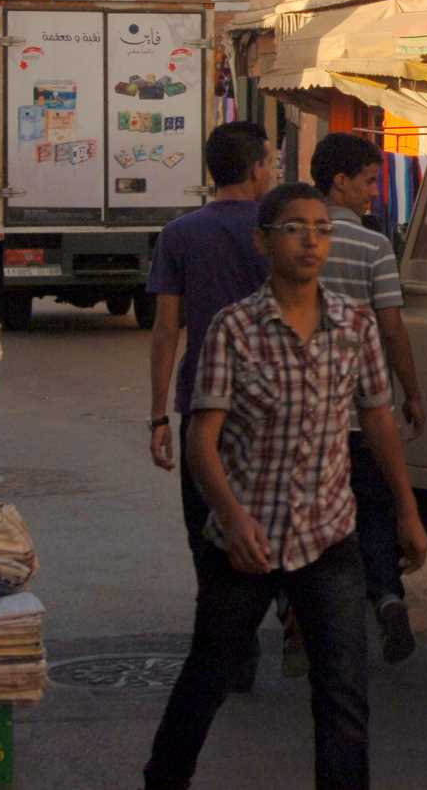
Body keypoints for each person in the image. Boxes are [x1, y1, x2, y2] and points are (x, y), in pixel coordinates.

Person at [143, 183, 427, 790]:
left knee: (344, 696)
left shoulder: (353, 326)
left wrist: (406, 511)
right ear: (263, 242)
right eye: (295, 228)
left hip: (328, 540)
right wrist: (232, 515)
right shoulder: (233, 329)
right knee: (208, 678)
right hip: (245, 544)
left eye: (322, 229)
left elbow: (377, 418)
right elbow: (202, 439)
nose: (311, 240)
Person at [145, 122, 275, 684]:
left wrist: (157, 415)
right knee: (272, 515)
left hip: (203, 403)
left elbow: (166, 328)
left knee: (208, 524)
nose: (272, 171)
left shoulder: (179, 234)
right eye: (269, 162)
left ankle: (227, 650)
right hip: (274, 403)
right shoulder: (280, 231)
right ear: (255, 170)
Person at [311, 132, 427, 665]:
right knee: (375, 511)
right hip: (364, 411)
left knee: (313, 516)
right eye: (368, 180)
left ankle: (311, 621)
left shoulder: (295, 242)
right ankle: (387, 597)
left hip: (307, 415)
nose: (374, 192)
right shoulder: (374, 247)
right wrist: (412, 391)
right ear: (340, 181)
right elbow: (393, 326)